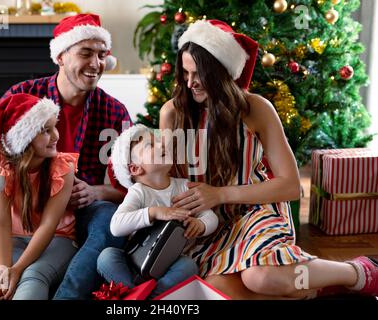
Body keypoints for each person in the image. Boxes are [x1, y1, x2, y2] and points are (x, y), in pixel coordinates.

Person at [159, 19, 378, 299]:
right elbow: (167, 179)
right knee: (224, 292)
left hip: (256, 212)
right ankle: (314, 288)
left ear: (221, 72)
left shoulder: (256, 109)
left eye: (198, 73)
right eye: (185, 72)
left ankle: (357, 272)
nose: (190, 83)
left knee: (262, 277)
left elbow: (289, 186)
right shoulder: (172, 113)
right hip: (208, 223)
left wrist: (219, 194)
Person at [0, 13, 130, 300]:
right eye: (86, 53)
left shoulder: (114, 113)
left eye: (102, 55)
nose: (96, 64)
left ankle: (67, 295)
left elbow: (132, 186)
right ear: (61, 56)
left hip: (74, 217)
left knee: (109, 219)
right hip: (16, 210)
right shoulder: (23, 96)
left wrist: (98, 191)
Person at [0, 93, 78, 300]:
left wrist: (17, 269)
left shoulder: (63, 168)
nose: (56, 136)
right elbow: (0, 224)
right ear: (24, 139)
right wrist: (3, 270)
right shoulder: (1, 171)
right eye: (46, 130)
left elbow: (48, 225)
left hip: (58, 237)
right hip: (14, 237)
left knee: (33, 276)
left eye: (55, 126)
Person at [97, 124, 218, 298]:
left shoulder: (183, 186)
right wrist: (153, 212)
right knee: (106, 257)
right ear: (135, 168)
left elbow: (210, 216)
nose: (162, 145)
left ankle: (148, 297)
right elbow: (116, 227)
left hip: (170, 262)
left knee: (189, 266)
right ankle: (134, 291)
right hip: (136, 261)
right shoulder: (138, 192)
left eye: (159, 141)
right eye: (150, 145)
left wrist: (201, 224)